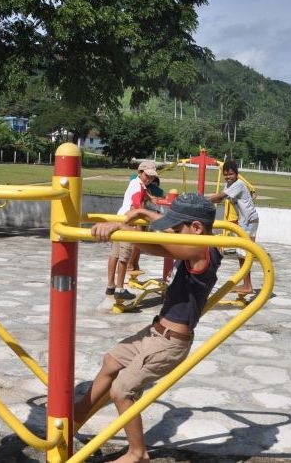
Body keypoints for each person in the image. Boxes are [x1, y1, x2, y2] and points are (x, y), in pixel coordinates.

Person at [77, 193, 222, 463]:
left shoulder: (201, 250)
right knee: (111, 361)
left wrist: (124, 230)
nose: (173, 231)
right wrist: (146, 213)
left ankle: (137, 453)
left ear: (196, 228)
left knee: (122, 390)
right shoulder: (202, 239)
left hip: (169, 343)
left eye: (178, 227)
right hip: (155, 332)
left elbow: (158, 246)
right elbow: (168, 233)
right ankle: (75, 419)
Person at [105, 160, 158, 299]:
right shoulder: (137, 187)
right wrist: (145, 218)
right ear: (140, 172)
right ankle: (120, 289)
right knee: (124, 256)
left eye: (152, 177)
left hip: (119, 219)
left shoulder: (135, 182)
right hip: (127, 223)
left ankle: (110, 286)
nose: (150, 179)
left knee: (115, 254)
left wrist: (150, 198)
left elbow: (143, 193)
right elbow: (136, 207)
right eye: (148, 176)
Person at [209, 160, 258, 294]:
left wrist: (202, 199)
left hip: (248, 221)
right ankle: (246, 284)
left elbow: (220, 196)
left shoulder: (238, 184)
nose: (228, 177)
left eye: (231, 174)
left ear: (237, 174)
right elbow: (220, 199)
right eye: (226, 174)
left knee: (244, 254)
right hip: (245, 220)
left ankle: (247, 286)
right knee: (241, 254)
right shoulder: (230, 184)